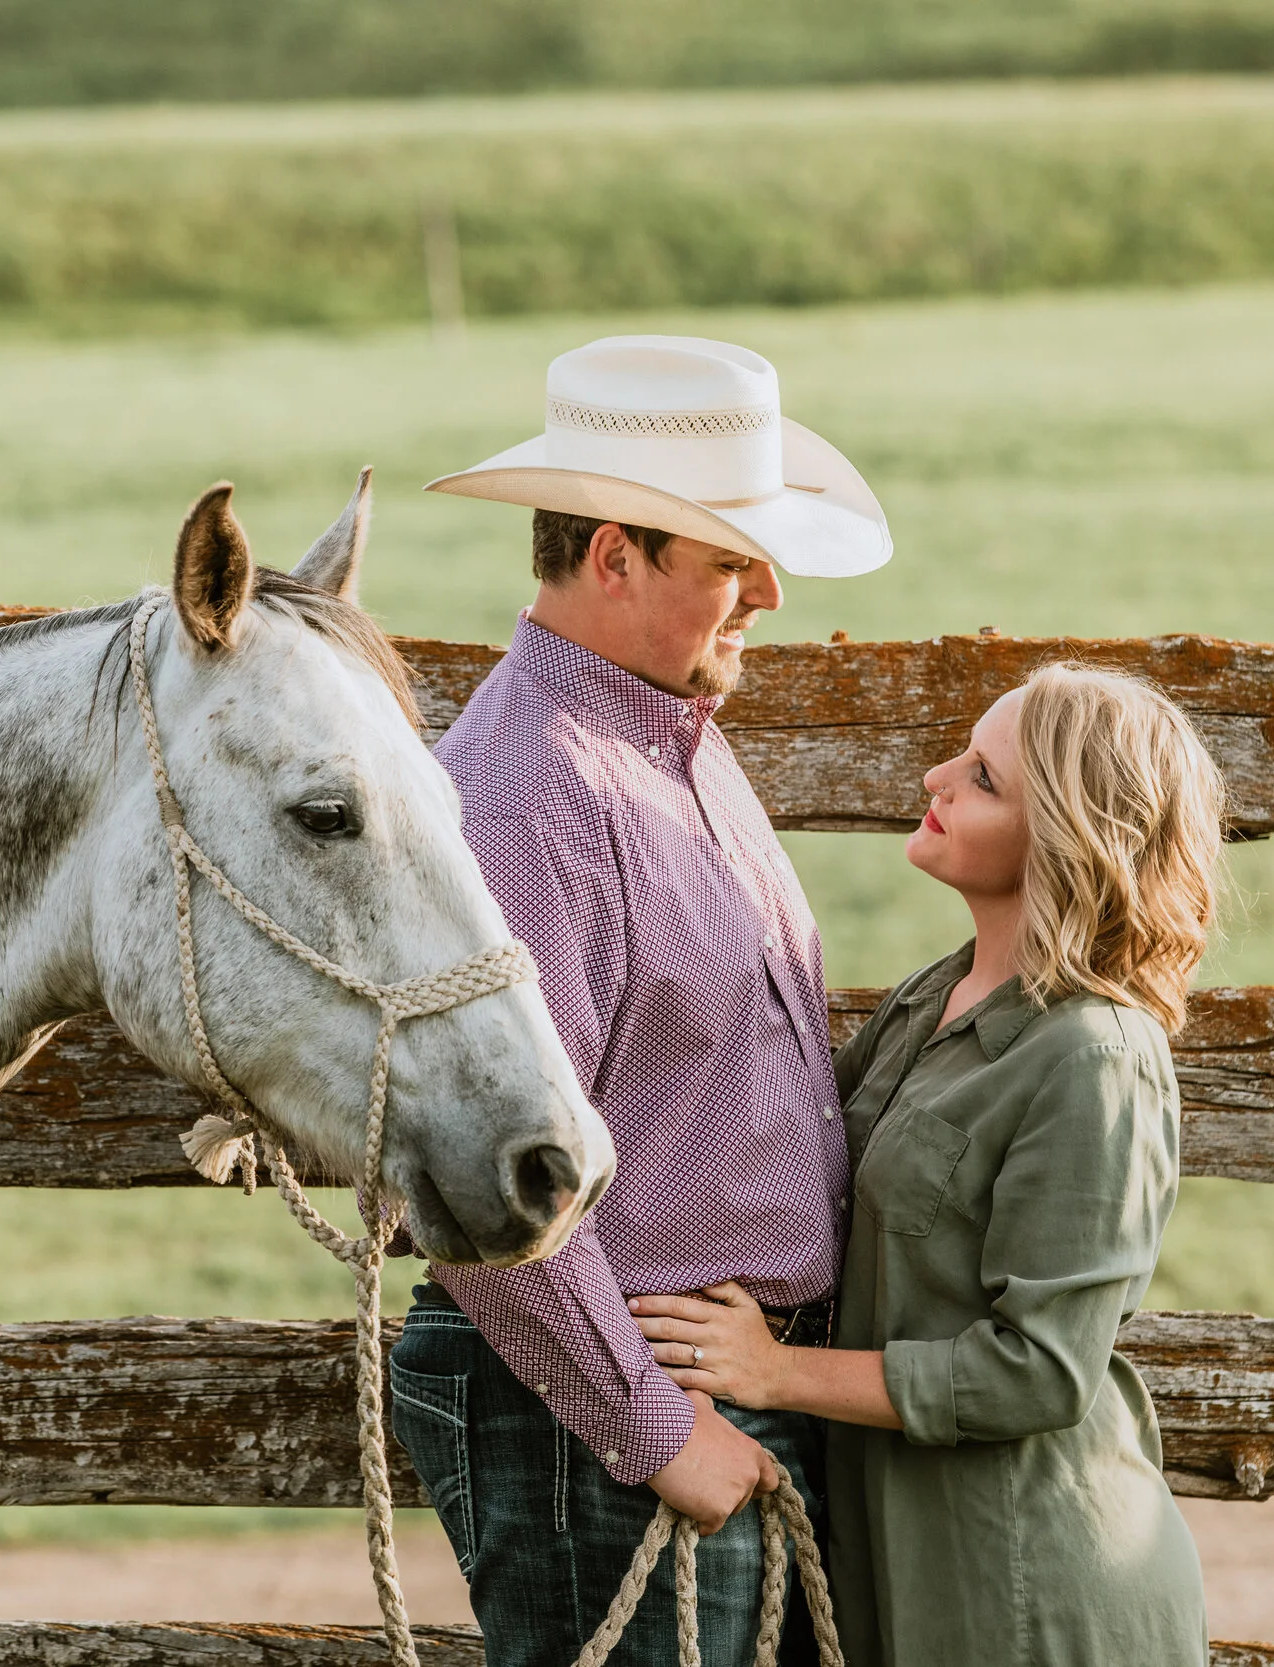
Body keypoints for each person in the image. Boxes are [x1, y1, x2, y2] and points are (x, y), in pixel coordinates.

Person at [389, 334, 894, 1667]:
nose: (769, 593)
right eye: (730, 559)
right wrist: (650, 1423)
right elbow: (484, 1175)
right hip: (615, 1412)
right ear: (614, 556)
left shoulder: (666, 740)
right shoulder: (526, 799)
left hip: (701, 1389)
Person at [631, 663, 1223, 1666]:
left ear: (1066, 838)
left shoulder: (1097, 1056)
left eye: (983, 778)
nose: (934, 776)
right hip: (895, 1568)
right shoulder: (931, 995)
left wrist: (774, 1370)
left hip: (1029, 1590)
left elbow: (1040, 1369)